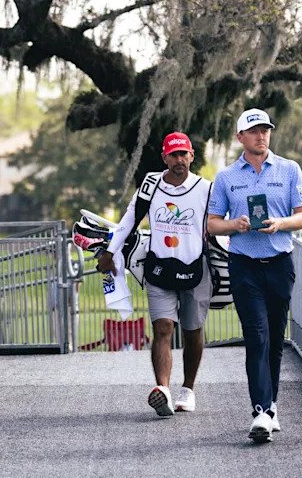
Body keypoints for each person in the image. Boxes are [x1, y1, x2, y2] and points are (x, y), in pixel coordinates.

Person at [207, 108, 302, 443]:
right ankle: (261, 412)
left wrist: (280, 224)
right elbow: (211, 224)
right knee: (256, 335)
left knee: (275, 340)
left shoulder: (289, 169)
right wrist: (233, 225)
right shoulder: (226, 178)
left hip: (280, 262)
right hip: (244, 265)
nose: (261, 136)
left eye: (265, 130)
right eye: (253, 131)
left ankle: (271, 405)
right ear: (240, 137)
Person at [97, 132, 214, 418]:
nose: (179, 160)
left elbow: (219, 224)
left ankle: (187, 389)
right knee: (163, 328)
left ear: (191, 156)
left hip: (195, 268)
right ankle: (162, 390)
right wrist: (111, 252)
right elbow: (129, 221)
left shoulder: (205, 188)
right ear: (164, 158)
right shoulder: (150, 186)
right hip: (159, 268)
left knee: (192, 331)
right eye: (173, 155)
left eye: (183, 154)